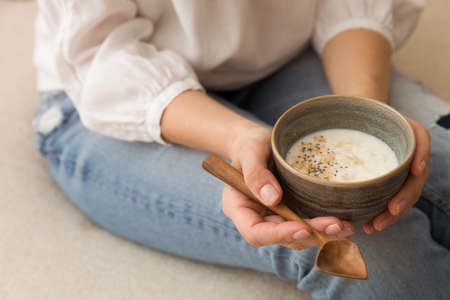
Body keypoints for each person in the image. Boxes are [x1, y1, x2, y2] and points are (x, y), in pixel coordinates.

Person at [33, 1, 450, 299]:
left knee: (436, 164)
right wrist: (237, 137)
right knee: (374, 256)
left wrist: (365, 115)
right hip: (109, 97)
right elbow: (98, 58)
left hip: (282, 57)